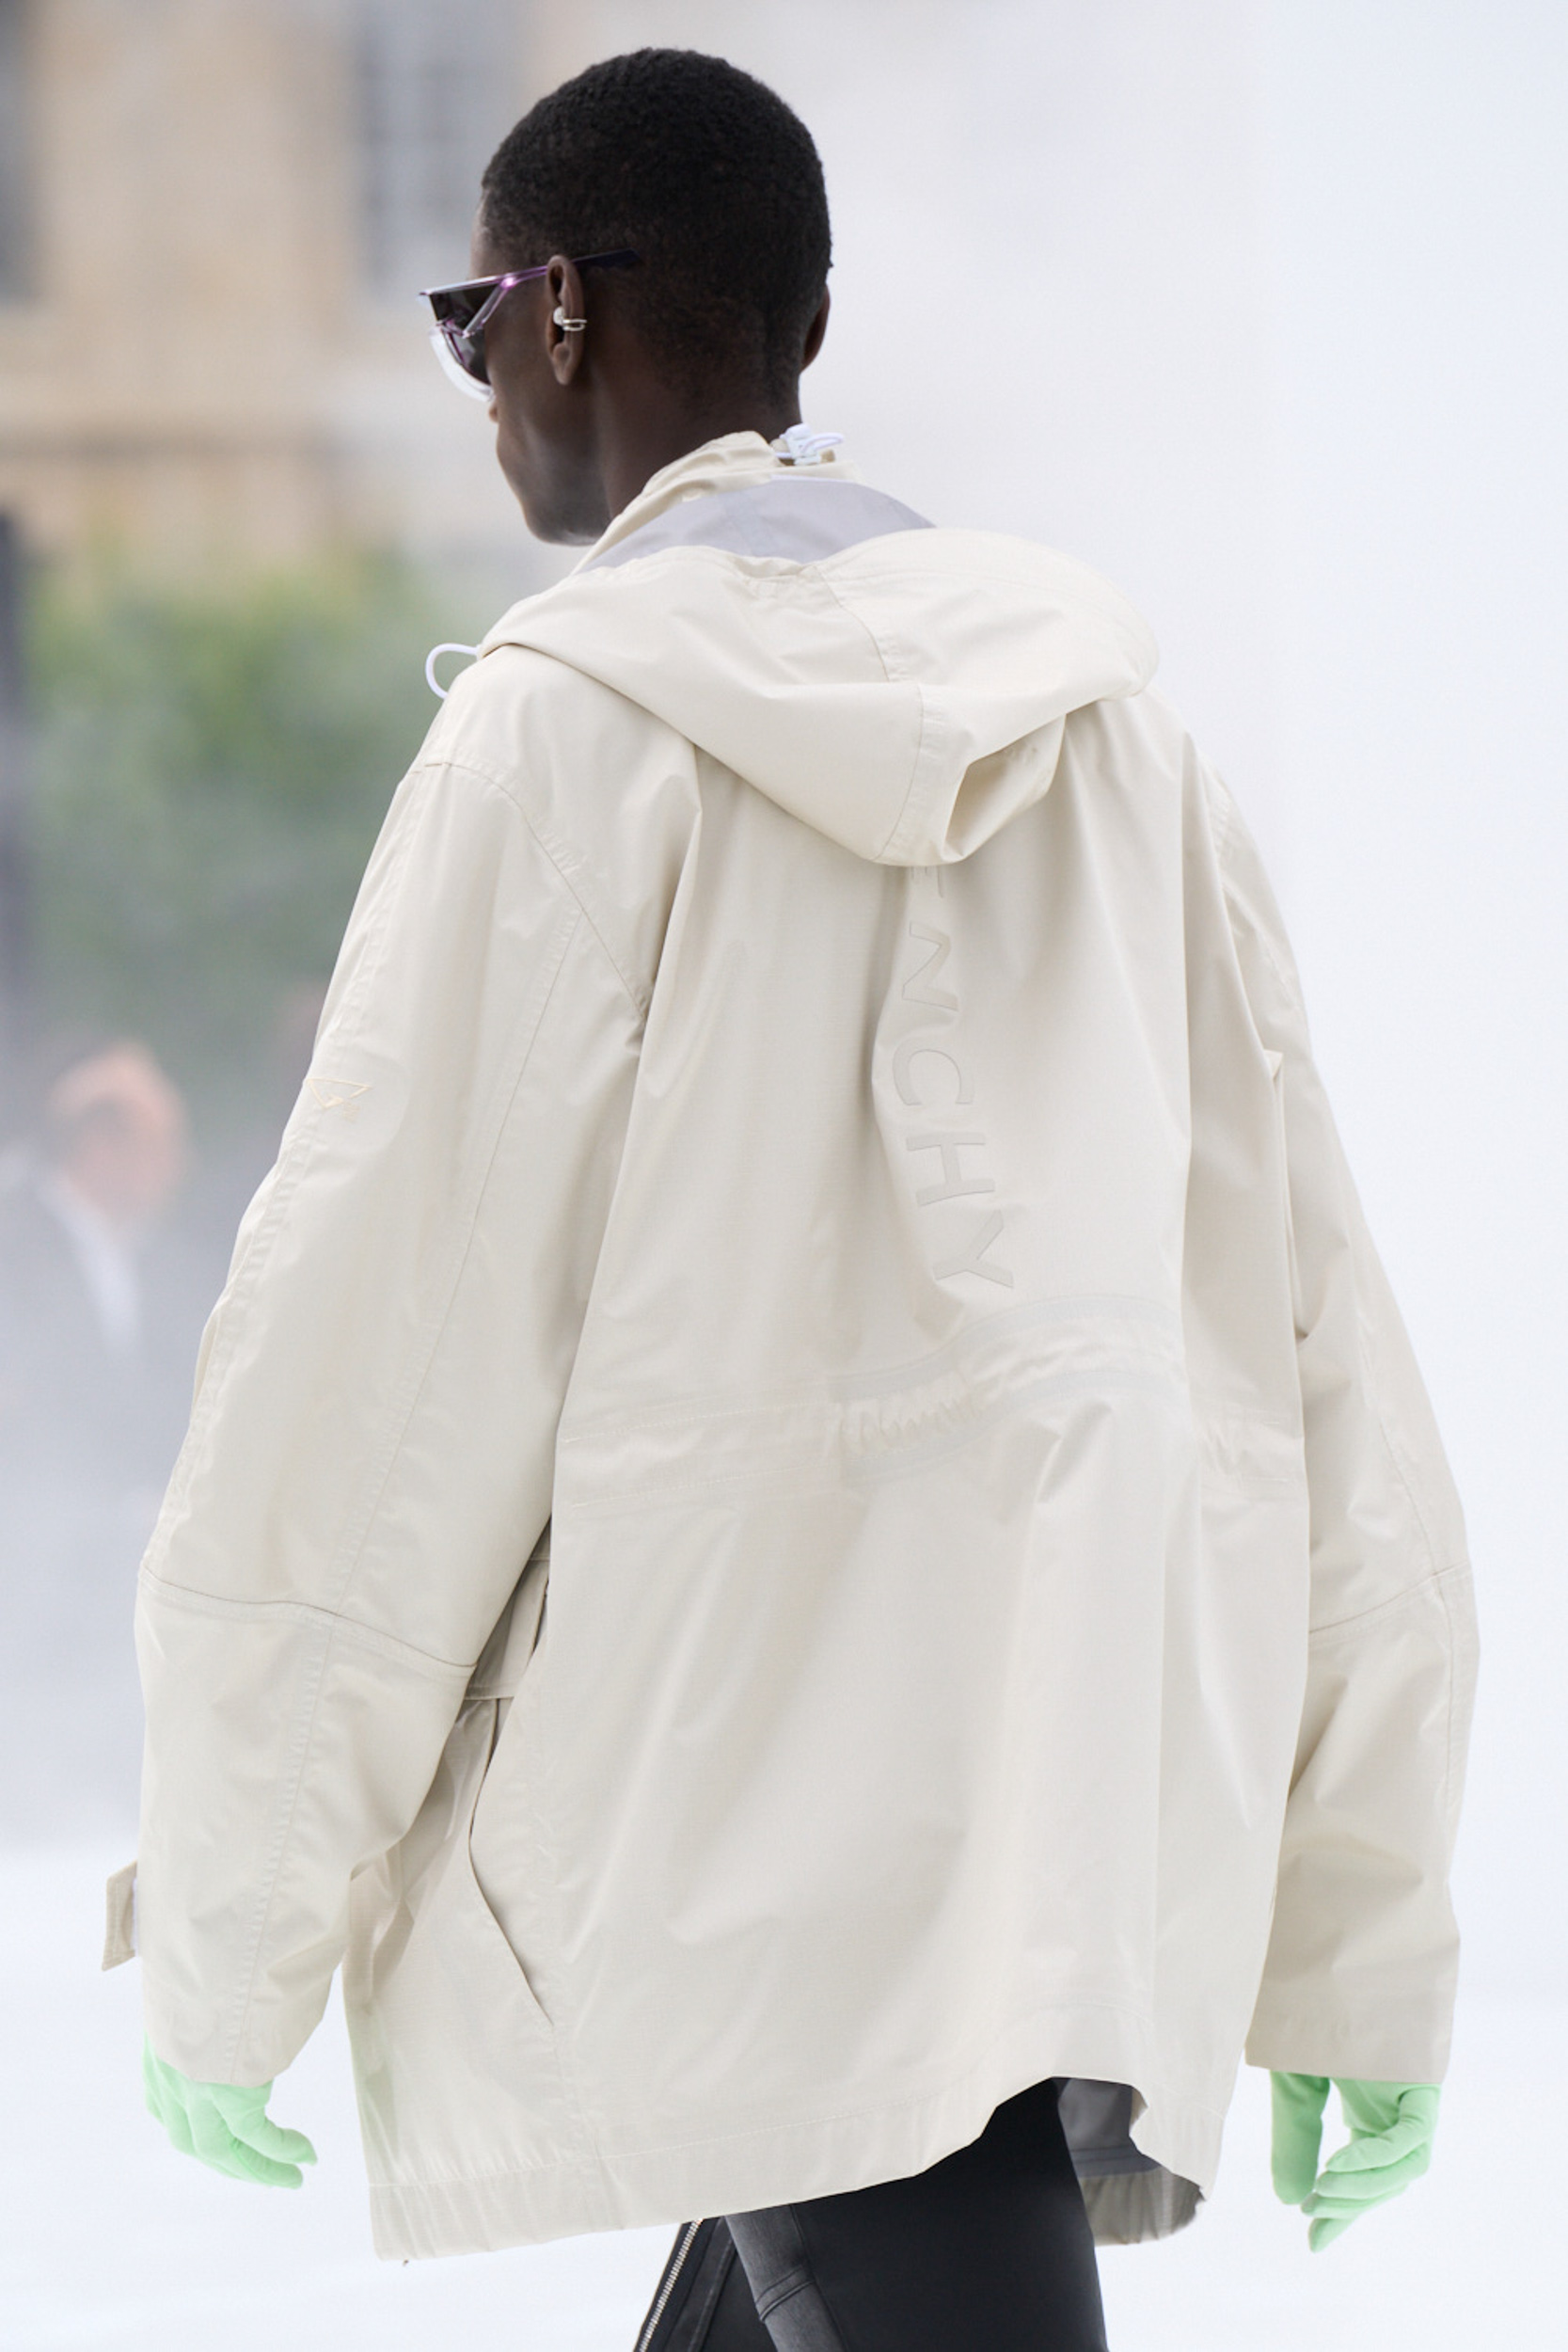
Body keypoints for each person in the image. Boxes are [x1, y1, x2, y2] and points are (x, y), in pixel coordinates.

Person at [119, 50, 1477, 2352]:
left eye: (470, 322)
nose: (475, 389)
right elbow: (1305, 1329)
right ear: (805, 329)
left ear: (560, 311)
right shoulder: (1117, 743)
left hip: (739, 1833)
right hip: (1061, 1807)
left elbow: (382, 1354)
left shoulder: (568, 734)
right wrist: (1365, 1909)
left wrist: (233, 1914)